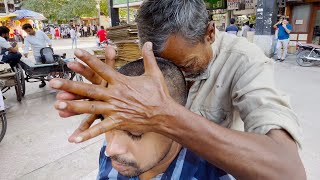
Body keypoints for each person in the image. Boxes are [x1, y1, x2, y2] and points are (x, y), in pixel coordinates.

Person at [50, 1, 306, 179]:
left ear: (210, 33)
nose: (174, 76)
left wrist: (164, 114)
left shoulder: (244, 60)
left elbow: (287, 171)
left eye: (186, 66)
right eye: (161, 67)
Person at [98, 59, 234, 180]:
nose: (110, 150)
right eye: (108, 126)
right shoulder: (114, 147)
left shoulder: (210, 175)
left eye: (135, 133)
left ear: (176, 122)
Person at [22, 23, 52, 88]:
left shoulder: (40, 33)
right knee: (40, 68)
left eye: (29, 31)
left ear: (32, 28)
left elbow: (47, 39)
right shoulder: (27, 38)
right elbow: (26, 46)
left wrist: (50, 46)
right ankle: (43, 81)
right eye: (27, 32)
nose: (28, 32)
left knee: (49, 65)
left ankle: (50, 78)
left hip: (45, 52)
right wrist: (25, 53)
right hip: (37, 54)